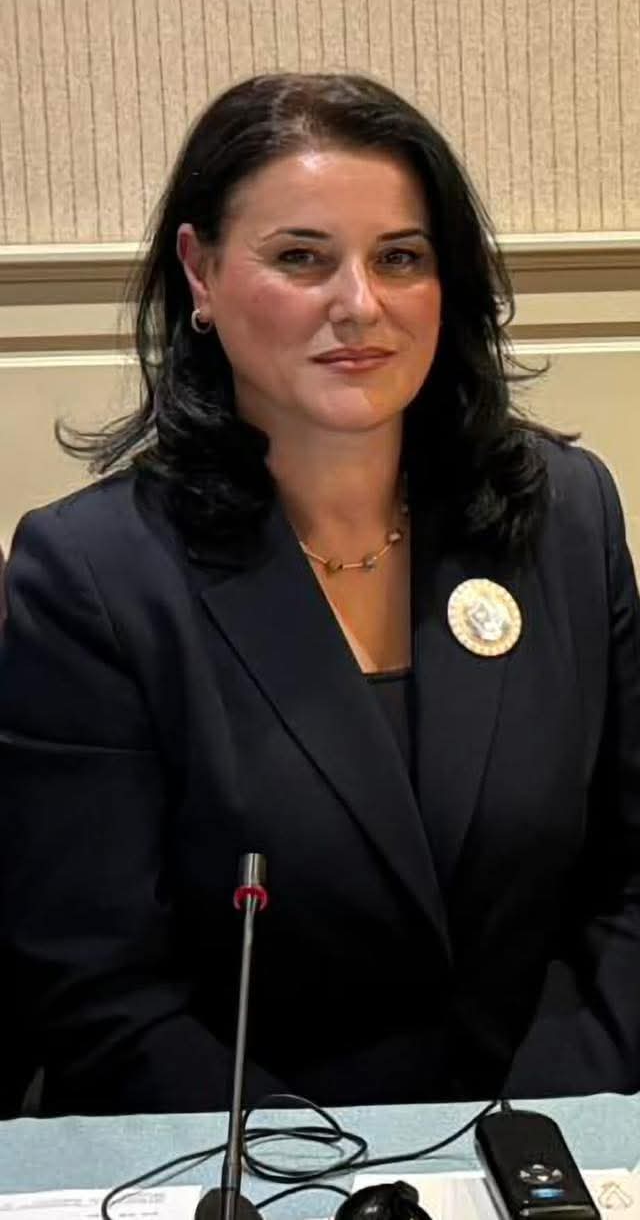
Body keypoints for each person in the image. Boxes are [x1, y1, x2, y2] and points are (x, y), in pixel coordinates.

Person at [0, 73, 638, 1117]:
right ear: (200, 272)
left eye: (401, 257)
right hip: (245, 1157)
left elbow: (630, 883)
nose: (360, 303)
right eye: (301, 257)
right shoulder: (94, 576)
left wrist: (536, 1133)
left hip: (553, 1144)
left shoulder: (567, 516)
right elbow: (95, 988)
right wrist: (335, 1173)